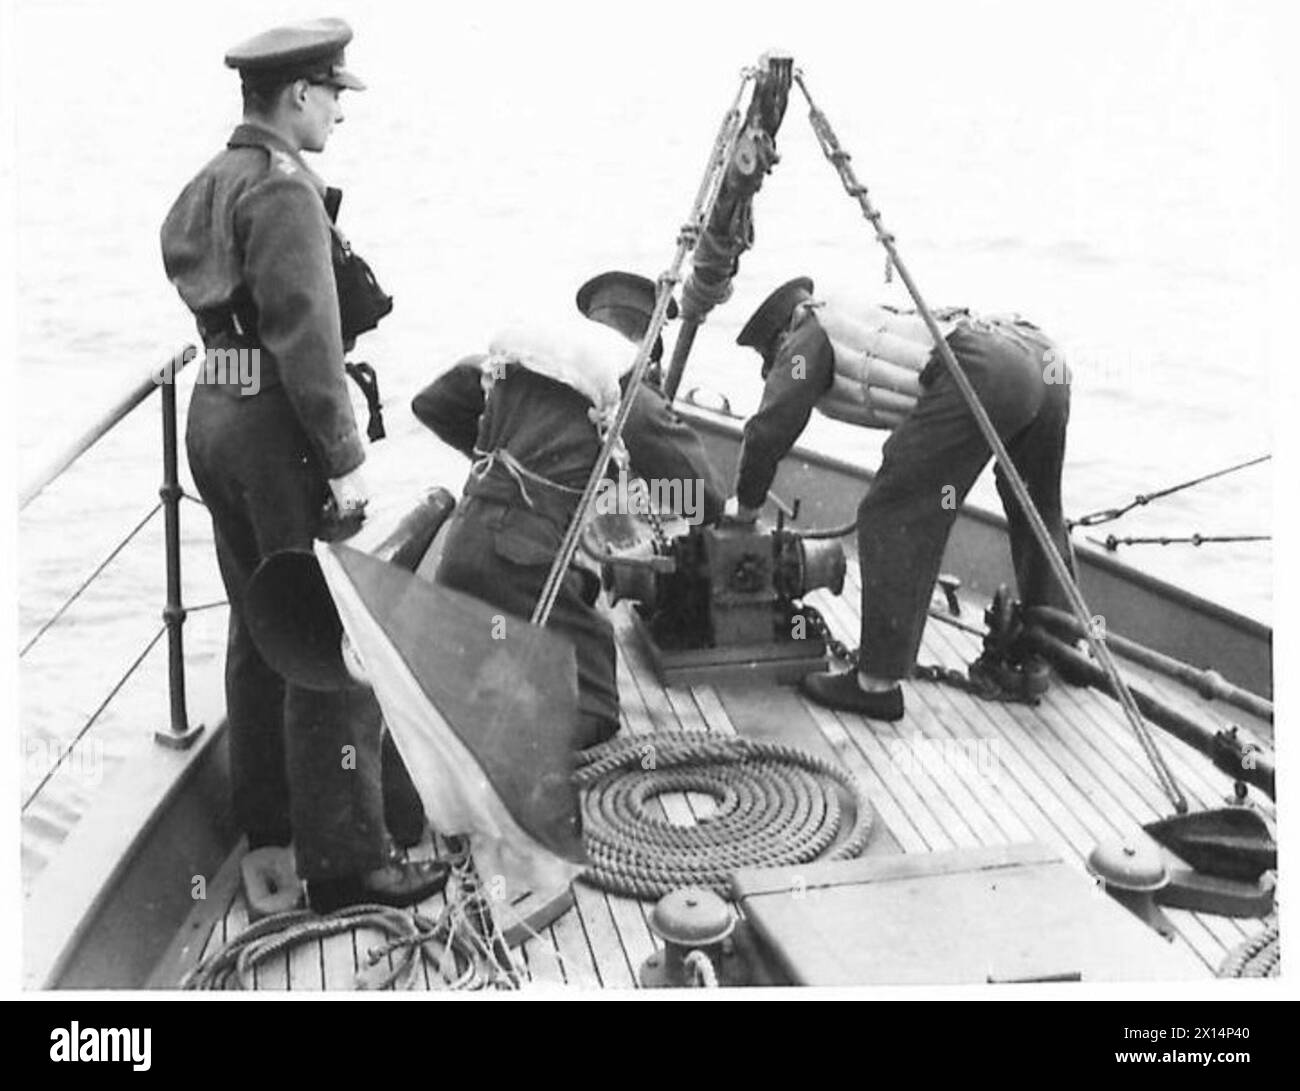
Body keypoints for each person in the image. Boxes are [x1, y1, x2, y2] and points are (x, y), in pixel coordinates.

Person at [160, 18, 444, 912]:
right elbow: (307, 338)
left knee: (257, 622)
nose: (339, 114)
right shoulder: (284, 191)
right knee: (324, 638)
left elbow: (184, 260)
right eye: (332, 95)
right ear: (296, 96)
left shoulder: (213, 177)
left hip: (214, 413)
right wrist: (345, 456)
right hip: (276, 431)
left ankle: (270, 823)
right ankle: (348, 860)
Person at [727, 277, 1074, 720]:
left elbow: (770, 426)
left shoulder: (806, 336)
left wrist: (745, 508)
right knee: (1035, 501)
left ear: (780, 333)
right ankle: (1060, 643)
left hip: (990, 367)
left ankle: (875, 684)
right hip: (1039, 355)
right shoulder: (855, 314)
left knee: (893, 510)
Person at [411, 272, 726, 747]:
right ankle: (509, 756)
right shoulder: (626, 395)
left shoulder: (521, 366)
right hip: (526, 563)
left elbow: (432, 403)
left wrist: (508, 471)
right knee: (597, 708)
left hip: (465, 545)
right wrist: (638, 496)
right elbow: (705, 498)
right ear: (648, 342)